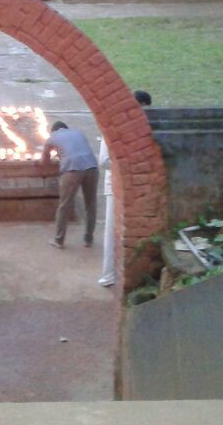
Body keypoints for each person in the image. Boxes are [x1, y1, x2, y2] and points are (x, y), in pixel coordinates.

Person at [97, 90, 151, 288]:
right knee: (112, 230)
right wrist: (128, 164)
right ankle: (108, 274)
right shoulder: (113, 127)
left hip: (138, 184)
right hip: (115, 185)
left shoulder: (143, 127)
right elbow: (104, 161)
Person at [41, 120, 99, 249]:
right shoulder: (79, 132)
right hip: (92, 166)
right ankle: (88, 239)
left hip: (72, 169)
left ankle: (59, 240)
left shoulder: (52, 138)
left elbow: (45, 161)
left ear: (53, 131)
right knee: (90, 203)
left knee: (65, 205)